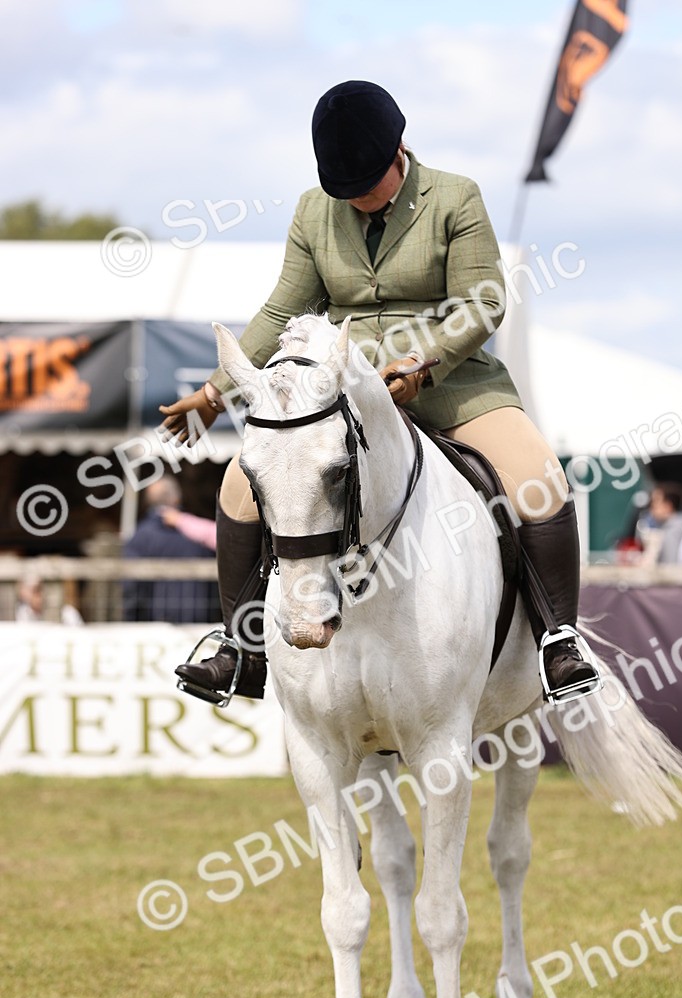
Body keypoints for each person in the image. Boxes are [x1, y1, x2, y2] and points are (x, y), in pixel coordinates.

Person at [159, 80, 599, 705]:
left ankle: (558, 639)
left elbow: (485, 300)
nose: (358, 201)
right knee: (239, 485)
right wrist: (216, 388)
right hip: (341, 387)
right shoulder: (316, 210)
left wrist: (426, 360)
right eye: (346, 190)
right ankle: (238, 647)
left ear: (399, 151)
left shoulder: (454, 197)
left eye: (367, 183)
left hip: (451, 379)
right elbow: (286, 305)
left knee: (539, 476)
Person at [123, 477, 219, 623]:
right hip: (200, 621)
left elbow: (131, 586)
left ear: (148, 501)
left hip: (154, 622)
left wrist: (131, 619)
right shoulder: (201, 535)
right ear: (176, 499)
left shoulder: (140, 537)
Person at [638, 482, 682, 566]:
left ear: (668, 506)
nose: (652, 506)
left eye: (656, 502)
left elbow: (670, 567)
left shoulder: (673, 530)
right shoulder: (669, 527)